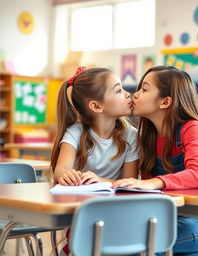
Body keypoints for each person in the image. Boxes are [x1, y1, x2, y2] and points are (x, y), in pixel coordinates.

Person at [113, 65, 198, 254]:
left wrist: (154, 182)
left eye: (145, 89)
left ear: (165, 102)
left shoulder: (191, 128)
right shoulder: (148, 136)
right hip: (169, 218)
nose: (136, 94)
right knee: (120, 235)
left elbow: (197, 175)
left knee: (141, 243)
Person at [50, 66, 139, 255]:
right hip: (84, 212)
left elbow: (130, 183)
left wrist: (102, 181)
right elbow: (61, 169)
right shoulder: (76, 131)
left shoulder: (132, 136)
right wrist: (67, 174)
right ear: (97, 106)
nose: (127, 94)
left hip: (117, 212)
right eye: (118, 90)